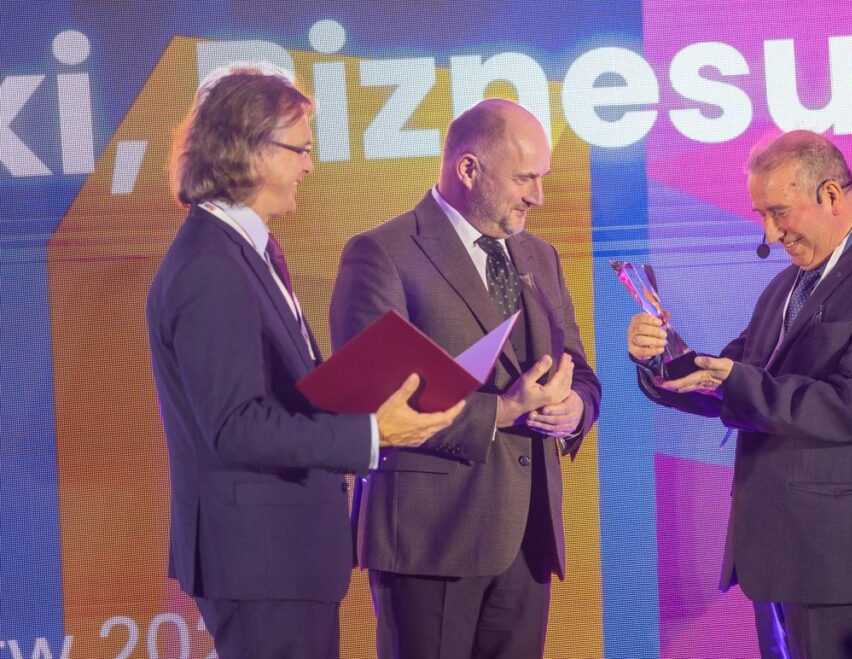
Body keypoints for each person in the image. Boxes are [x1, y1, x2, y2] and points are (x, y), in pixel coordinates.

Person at [146, 64, 464, 659]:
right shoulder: (211, 266)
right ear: (254, 150)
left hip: (281, 558)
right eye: (301, 150)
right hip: (260, 561)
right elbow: (237, 427)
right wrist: (370, 434)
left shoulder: (243, 251)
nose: (309, 166)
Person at [628, 130, 852, 659]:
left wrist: (733, 380)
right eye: (761, 215)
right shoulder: (789, 285)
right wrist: (660, 360)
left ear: (831, 195)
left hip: (848, 566)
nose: (770, 234)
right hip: (782, 558)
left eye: (778, 213)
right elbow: (736, 377)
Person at [330, 98, 600, 659]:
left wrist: (574, 408)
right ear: (469, 168)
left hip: (527, 538)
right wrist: (501, 411)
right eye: (524, 178)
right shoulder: (382, 253)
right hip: (431, 540)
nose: (538, 196)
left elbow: (579, 370)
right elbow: (373, 400)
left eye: (543, 178)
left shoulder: (540, 256)